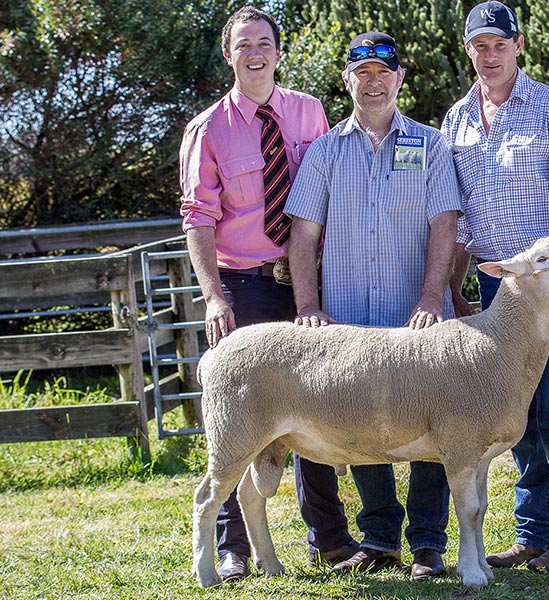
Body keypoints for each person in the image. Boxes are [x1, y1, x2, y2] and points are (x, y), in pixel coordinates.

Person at [178, 6, 358, 583]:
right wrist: (213, 297)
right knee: (238, 417)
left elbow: (331, 190)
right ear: (229, 55)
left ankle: (329, 539)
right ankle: (232, 545)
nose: (255, 52)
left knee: (319, 407)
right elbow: (198, 218)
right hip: (245, 286)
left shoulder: (310, 112)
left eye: (264, 42)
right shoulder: (207, 129)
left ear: (278, 51)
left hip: (308, 282)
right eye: (243, 44)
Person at [283, 31, 461, 581]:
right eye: (363, 74)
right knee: (364, 424)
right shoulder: (325, 153)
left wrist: (432, 296)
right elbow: (304, 237)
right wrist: (310, 307)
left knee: (436, 428)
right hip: (351, 320)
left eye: (384, 73)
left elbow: (444, 226)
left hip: (419, 322)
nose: (374, 82)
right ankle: (380, 536)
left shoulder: (431, 146)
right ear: (348, 81)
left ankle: (429, 544)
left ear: (400, 79)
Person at [441, 1, 549, 572]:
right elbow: (457, 214)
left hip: (544, 286)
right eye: (479, 46)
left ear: (519, 45)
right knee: (508, 410)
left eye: (498, 44)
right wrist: (455, 282)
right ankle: (530, 531)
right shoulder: (456, 120)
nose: (489, 55)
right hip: (491, 285)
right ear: (469, 51)